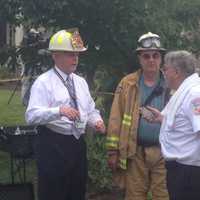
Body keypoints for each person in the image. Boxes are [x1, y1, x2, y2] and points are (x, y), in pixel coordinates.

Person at [25, 28, 105, 200]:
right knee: (53, 193)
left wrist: (96, 121)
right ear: (55, 55)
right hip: (52, 144)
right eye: (70, 54)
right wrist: (58, 111)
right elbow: (31, 115)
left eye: (77, 54)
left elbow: (90, 110)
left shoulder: (81, 82)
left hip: (77, 144)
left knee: (77, 191)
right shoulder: (44, 82)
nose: (75, 58)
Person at [106, 32, 169, 200]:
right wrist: (113, 151)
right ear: (139, 58)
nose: (151, 60)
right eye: (146, 56)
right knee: (134, 195)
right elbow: (115, 117)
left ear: (161, 58)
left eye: (155, 55)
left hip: (165, 152)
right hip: (135, 152)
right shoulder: (127, 83)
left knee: (163, 196)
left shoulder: (171, 83)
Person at [145, 50, 200, 200]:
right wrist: (162, 119)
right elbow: (185, 124)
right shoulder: (184, 91)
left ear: (176, 72)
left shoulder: (194, 94)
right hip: (181, 169)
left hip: (189, 172)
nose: (164, 73)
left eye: (165, 69)